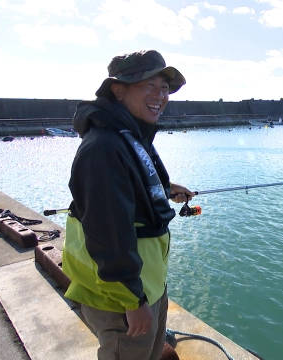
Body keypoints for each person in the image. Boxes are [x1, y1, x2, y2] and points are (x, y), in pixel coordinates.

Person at [62, 50, 194, 360]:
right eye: (149, 85)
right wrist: (133, 302)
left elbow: (130, 188)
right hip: (122, 299)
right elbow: (107, 233)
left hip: (147, 286)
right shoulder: (103, 148)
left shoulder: (128, 134)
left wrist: (165, 189)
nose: (160, 96)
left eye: (164, 88)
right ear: (118, 90)